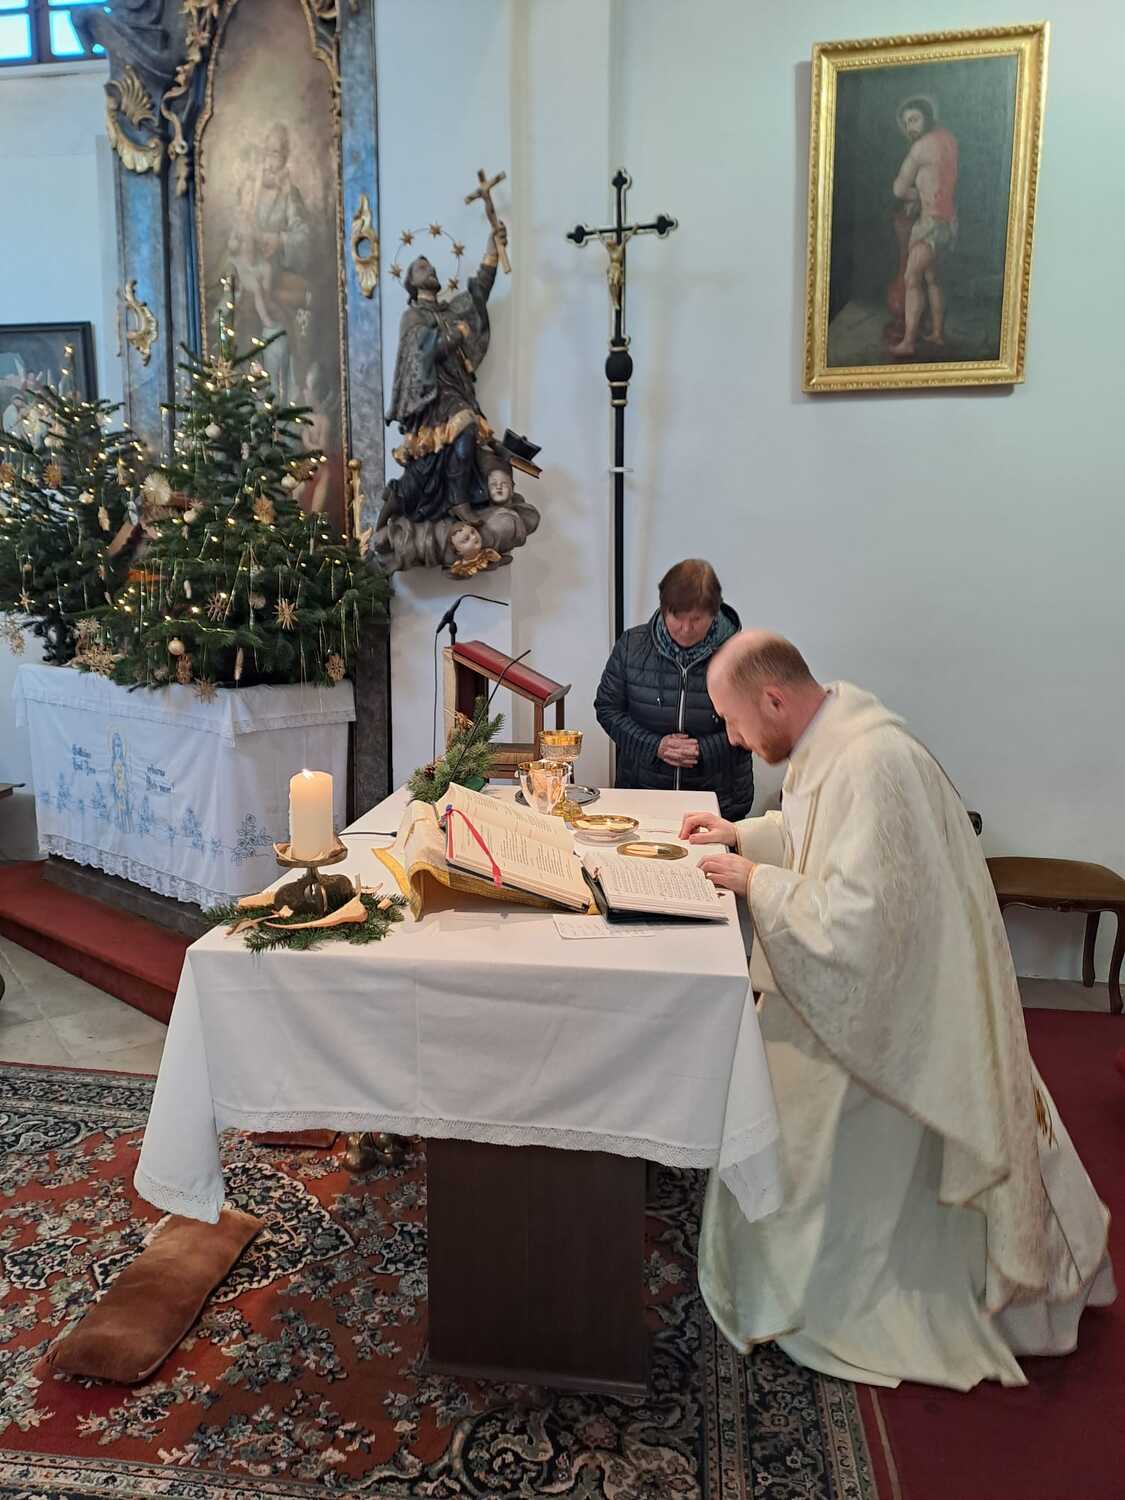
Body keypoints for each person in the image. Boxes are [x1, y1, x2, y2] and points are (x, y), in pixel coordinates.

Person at [681, 631, 1114, 1390]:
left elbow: (862, 924)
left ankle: (825, 1294)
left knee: (788, 1117)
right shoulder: (829, 736)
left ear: (774, 699)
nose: (732, 738)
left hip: (894, 1014)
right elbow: (816, 836)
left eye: (734, 720)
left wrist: (757, 883)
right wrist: (745, 834)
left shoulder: (872, 762)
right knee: (765, 1094)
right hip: (868, 989)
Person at [594, 560, 754, 820]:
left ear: (714, 613)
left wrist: (702, 750)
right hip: (641, 794)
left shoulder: (742, 654)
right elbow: (607, 709)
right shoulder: (631, 646)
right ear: (663, 609)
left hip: (719, 800)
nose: (686, 628)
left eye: (696, 619)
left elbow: (754, 725)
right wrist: (655, 746)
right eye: (677, 617)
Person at [383, 226, 507, 521]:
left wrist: (491, 253)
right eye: (422, 268)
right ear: (411, 283)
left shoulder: (450, 311)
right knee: (464, 428)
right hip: (431, 397)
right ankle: (458, 500)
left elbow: (478, 294)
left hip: (457, 388)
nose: (430, 270)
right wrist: (455, 335)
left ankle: (461, 498)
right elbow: (423, 351)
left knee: (472, 439)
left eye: (432, 267)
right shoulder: (413, 316)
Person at [889, 96, 959, 356]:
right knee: (933, 278)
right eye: (906, 122)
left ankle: (908, 342)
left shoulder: (920, 148)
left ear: (927, 117)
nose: (910, 127)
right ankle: (937, 334)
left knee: (911, 278)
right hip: (949, 221)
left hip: (930, 223)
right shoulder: (949, 140)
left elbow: (898, 189)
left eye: (914, 119)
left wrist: (915, 195)